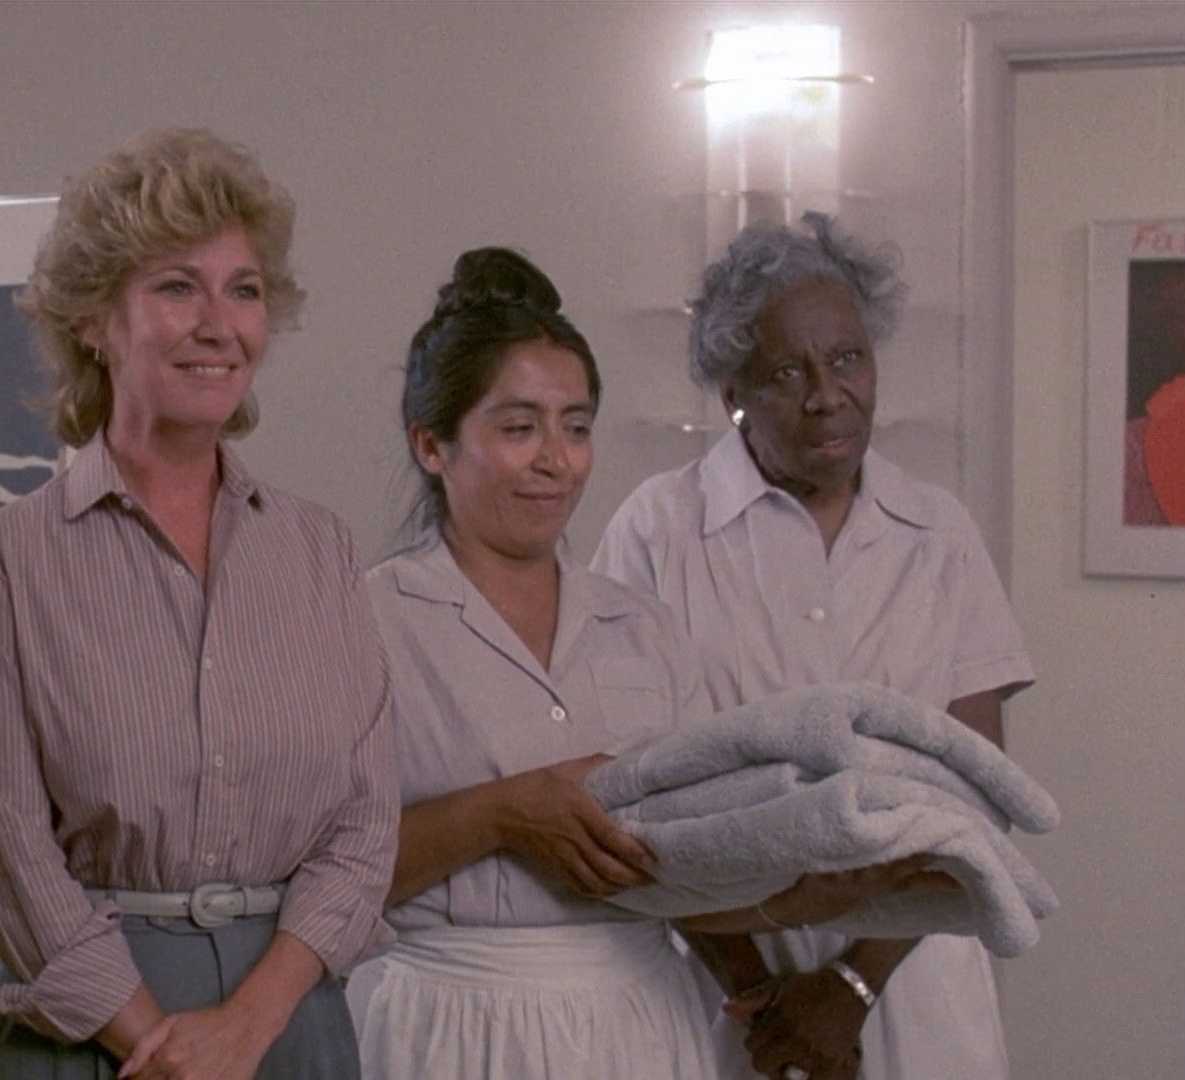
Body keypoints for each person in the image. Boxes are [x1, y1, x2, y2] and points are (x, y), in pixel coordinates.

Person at [357, 248, 936, 1079]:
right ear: (431, 444)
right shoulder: (363, 624)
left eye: (576, 426)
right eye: (519, 429)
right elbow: (310, 875)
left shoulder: (641, 627)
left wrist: (825, 896)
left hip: (641, 1022)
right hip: (447, 1022)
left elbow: (691, 865)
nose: (556, 460)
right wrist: (498, 815)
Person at [0, 127, 396, 1080]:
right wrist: (155, 1046)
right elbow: (11, 862)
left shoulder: (320, 550)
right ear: (93, 320)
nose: (219, 324)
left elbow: (363, 827)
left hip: (289, 1017)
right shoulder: (6, 563)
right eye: (178, 287)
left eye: (245, 290)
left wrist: (248, 1026)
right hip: (86, 1027)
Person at [595, 212, 1037, 1080]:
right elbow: (625, 795)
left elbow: (978, 795)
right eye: (788, 372)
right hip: (722, 984)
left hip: (913, 974)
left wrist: (850, 987)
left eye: (848, 358)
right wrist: (761, 994)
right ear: (733, 391)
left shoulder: (939, 532)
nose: (828, 395)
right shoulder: (657, 529)